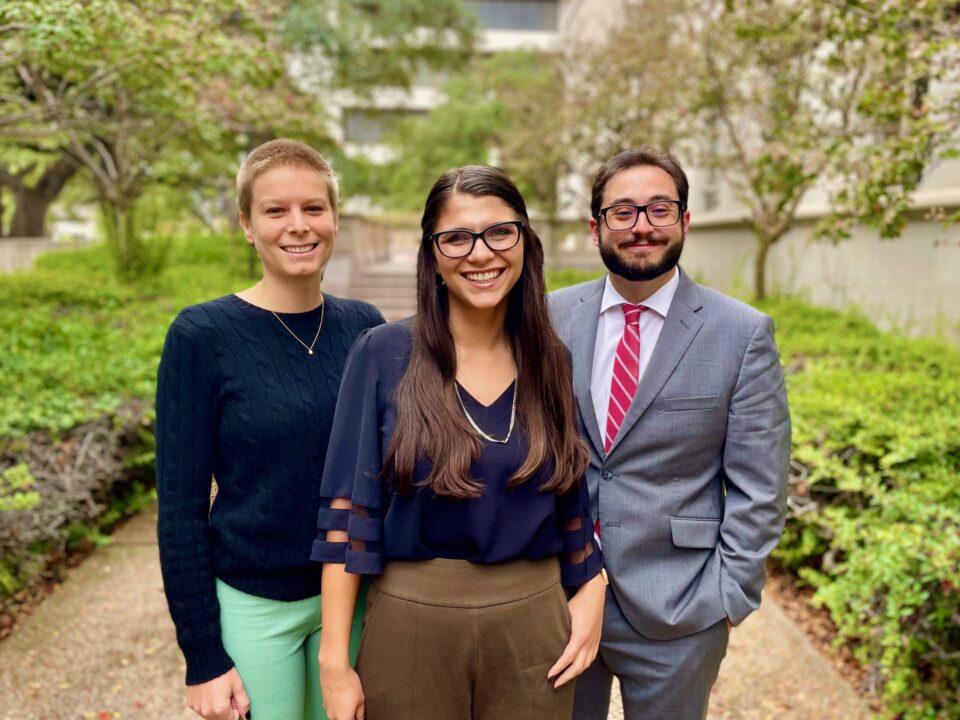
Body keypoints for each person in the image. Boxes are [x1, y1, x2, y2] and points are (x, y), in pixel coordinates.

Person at [312, 165, 607, 720]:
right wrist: (334, 662)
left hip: (534, 624)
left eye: (500, 231)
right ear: (432, 255)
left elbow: (570, 497)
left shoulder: (551, 359)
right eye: (456, 238)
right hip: (412, 623)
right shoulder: (381, 354)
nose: (481, 253)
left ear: (525, 241)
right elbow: (349, 514)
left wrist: (592, 589)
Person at [549, 147, 791, 719]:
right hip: (557, 596)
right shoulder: (549, 316)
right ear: (595, 227)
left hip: (681, 608)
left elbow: (762, 484)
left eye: (659, 209)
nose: (641, 226)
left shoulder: (741, 333)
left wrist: (728, 596)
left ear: (684, 220)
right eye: (623, 212)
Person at [156, 138, 384, 720]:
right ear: (247, 225)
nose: (298, 226)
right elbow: (180, 508)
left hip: (355, 599)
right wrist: (202, 655)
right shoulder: (202, 336)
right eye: (275, 210)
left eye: (314, 208)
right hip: (255, 606)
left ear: (334, 217)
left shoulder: (365, 328)